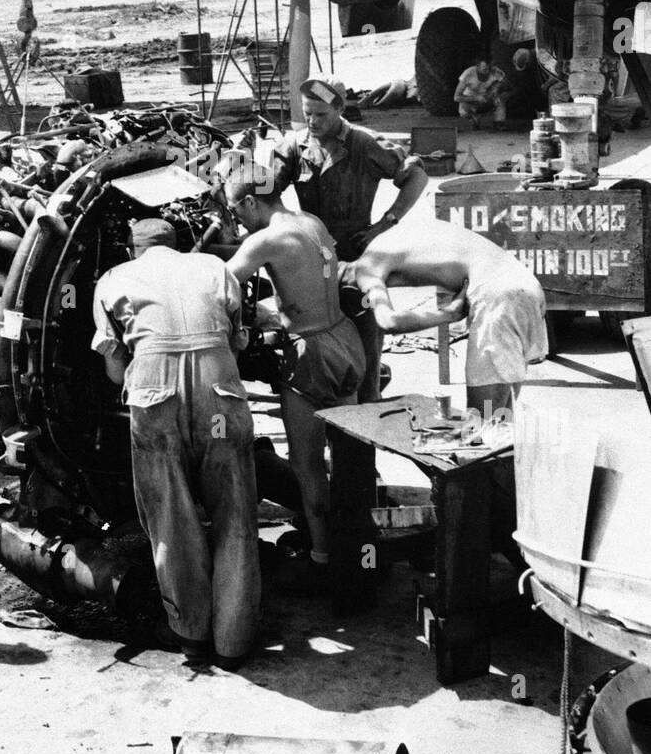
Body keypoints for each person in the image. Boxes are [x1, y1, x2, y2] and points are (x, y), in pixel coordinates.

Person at [91, 218, 260, 668]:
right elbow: (236, 339)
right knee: (235, 510)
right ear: (178, 245)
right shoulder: (213, 267)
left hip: (153, 393)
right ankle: (234, 640)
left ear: (132, 248)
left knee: (171, 516)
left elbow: (113, 370)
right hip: (219, 390)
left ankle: (191, 635)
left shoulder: (113, 279)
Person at [224, 161, 365, 586]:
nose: (236, 220)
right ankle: (357, 545)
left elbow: (220, 286)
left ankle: (322, 560)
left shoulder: (265, 241)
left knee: (306, 464)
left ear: (251, 201)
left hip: (310, 354)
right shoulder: (311, 222)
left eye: (236, 211)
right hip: (344, 337)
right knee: (347, 453)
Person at [269, 75, 427, 400]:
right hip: (312, 263)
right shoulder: (293, 147)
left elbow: (416, 177)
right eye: (307, 113)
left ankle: (369, 403)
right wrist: (286, 227)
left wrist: (385, 224)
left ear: (339, 110)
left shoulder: (365, 144)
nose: (312, 121)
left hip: (357, 260)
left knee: (367, 334)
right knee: (316, 343)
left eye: (321, 115)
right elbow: (264, 193)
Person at [339, 217, 548, 416]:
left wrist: (447, 314)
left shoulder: (365, 269)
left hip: (499, 297)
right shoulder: (385, 241)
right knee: (499, 419)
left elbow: (388, 321)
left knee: (482, 425)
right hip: (523, 286)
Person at [453, 57, 513, 130]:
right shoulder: (468, 73)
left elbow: (510, 87)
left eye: (490, 68)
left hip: (488, 98)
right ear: (477, 66)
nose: (488, 72)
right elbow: (456, 97)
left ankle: (499, 122)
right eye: (484, 69)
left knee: (502, 97)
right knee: (463, 109)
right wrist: (476, 98)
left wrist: (497, 89)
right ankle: (473, 119)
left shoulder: (495, 71)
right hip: (472, 101)